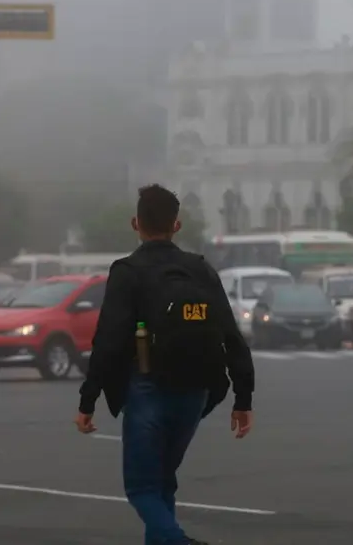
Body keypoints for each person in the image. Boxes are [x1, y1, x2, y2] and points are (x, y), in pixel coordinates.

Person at [76, 184, 255, 545]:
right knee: (162, 481)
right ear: (177, 225)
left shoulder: (128, 271)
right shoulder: (200, 269)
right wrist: (243, 397)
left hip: (147, 387)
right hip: (196, 391)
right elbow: (230, 333)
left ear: (135, 223)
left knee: (141, 487)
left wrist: (88, 400)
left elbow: (108, 340)